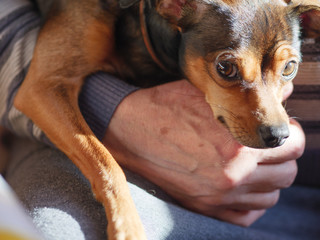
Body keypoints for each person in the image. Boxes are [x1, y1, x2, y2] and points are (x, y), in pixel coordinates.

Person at [0, 0, 319, 239]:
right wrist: (113, 115)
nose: (271, 117)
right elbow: (40, 90)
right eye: (228, 70)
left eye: (288, 68)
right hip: (87, 153)